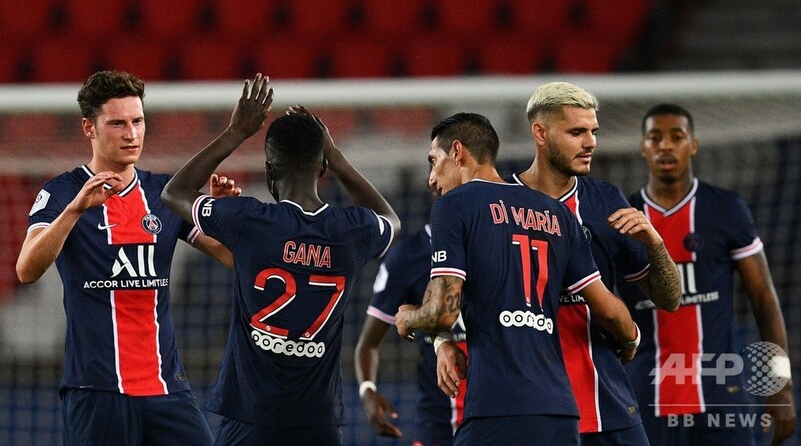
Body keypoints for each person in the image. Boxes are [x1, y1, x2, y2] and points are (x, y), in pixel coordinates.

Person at [161, 73, 400, 445]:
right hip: (318, 423)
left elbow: (174, 192)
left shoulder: (249, 221)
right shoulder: (350, 230)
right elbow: (391, 221)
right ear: (322, 168)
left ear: (269, 170)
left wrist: (236, 133)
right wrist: (338, 159)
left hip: (252, 420)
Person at [15, 70, 237, 445]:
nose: (131, 134)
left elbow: (230, 257)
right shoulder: (63, 192)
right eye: (117, 124)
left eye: (138, 121)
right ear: (89, 127)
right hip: (96, 389)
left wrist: (225, 218)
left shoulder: (165, 194)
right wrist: (74, 211)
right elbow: (26, 270)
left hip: (166, 387)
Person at [395, 112, 640, 446]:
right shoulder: (556, 212)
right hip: (561, 412)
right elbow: (609, 311)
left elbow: (443, 312)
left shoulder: (455, 206)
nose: (431, 179)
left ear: (457, 151)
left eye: (433, 161)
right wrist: (631, 339)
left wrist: (407, 317)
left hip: (498, 407)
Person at [506, 82, 681, 445]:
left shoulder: (605, 201)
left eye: (593, 131)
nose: (590, 143)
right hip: (531, 409)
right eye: (576, 132)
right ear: (540, 133)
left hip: (608, 401)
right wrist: (443, 342)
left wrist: (655, 243)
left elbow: (669, 299)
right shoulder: (499, 205)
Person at [616, 103, 797, 445]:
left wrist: (781, 385)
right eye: (655, 138)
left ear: (693, 145)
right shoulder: (623, 218)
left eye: (676, 137)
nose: (666, 146)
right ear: (643, 147)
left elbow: (764, 298)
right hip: (645, 398)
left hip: (720, 396)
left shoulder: (725, 209)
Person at [355, 183, 467, 445]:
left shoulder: (499, 243)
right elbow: (368, 343)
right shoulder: (407, 256)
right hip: (438, 420)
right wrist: (367, 389)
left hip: (496, 411)